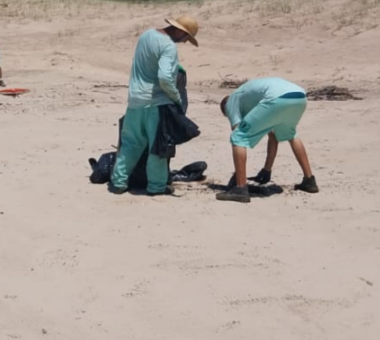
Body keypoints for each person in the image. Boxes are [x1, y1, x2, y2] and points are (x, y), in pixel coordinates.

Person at [109, 16, 199, 196]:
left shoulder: (146, 35)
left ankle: (118, 183)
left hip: (135, 100)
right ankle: (156, 187)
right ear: (180, 31)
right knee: (159, 147)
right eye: (185, 39)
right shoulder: (168, 46)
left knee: (130, 144)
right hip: (157, 103)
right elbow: (165, 78)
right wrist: (176, 99)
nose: (183, 42)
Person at [216, 77, 318, 203]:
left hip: (276, 98)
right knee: (291, 134)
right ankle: (309, 181)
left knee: (238, 137)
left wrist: (238, 174)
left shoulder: (231, 101)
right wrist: (267, 170)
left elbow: (238, 134)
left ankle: (240, 189)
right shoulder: (251, 101)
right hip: (299, 96)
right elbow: (272, 135)